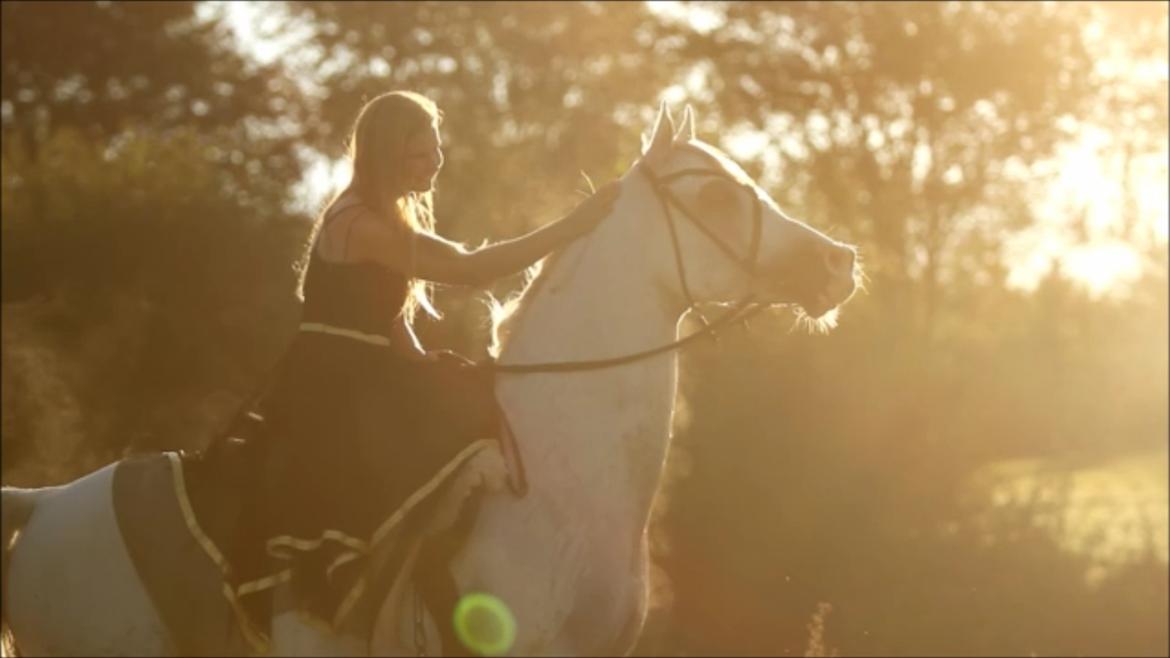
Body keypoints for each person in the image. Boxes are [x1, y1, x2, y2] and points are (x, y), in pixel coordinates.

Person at [230, 90, 618, 634]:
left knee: (469, 409)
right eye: (421, 153)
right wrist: (570, 227)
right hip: (335, 385)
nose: (436, 162)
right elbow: (471, 268)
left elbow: (382, 317)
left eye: (437, 149)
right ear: (388, 154)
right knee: (446, 446)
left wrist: (424, 362)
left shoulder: (379, 217)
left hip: (370, 371)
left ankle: (436, 594)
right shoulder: (360, 225)